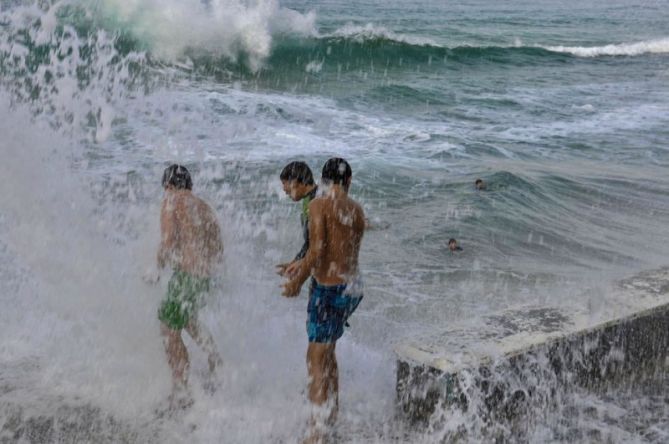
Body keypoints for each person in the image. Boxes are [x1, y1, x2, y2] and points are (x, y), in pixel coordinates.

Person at [282, 158, 365, 443]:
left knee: (315, 359)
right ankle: (331, 416)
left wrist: (297, 280)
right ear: (349, 181)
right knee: (328, 353)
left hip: (328, 291)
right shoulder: (357, 210)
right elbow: (347, 252)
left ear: (324, 180)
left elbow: (318, 250)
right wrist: (301, 265)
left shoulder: (318, 205)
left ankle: (317, 434)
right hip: (352, 290)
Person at [157, 164, 223, 409]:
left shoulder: (172, 201)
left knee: (168, 329)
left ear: (169, 186)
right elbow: (218, 248)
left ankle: (181, 390)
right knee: (187, 319)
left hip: (187, 275)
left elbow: (167, 241)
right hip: (206, 278)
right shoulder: (204, 207)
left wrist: (156, 267)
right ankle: (217, 362)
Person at [277, 161, 318, 278]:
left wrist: (301, 264)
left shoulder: (316, 201)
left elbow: (320, 244)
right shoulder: (310, 198)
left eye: (284, 183)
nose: (284, 189)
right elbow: (311, 242)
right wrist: (295, 262)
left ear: (295, 181)